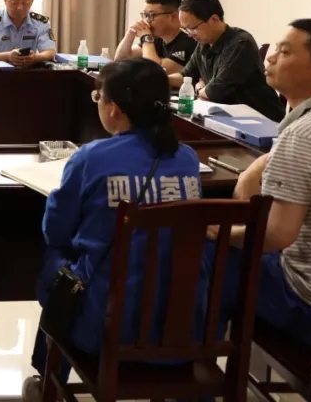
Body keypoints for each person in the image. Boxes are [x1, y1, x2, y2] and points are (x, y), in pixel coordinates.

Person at [22, 57, 204, 401]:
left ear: (114, 109)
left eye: (99, 96)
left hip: (106, 329)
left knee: (57, 261)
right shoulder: (187, 159)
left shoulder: (91, 158)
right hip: (180, 328)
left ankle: (48, 378)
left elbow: (56, 232)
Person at [211, 19, 311, 346]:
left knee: (204, 253)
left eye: (284, 52)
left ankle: (188, 367)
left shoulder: (302, 136)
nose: (269, 57)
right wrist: (259, 164)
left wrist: (216, 232)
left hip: (304, 299)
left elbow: (276, 235)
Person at [168, 0, 285, 121]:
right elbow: (185, 76)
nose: (190, 35)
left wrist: (199, 88)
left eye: (192, 28)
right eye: (185, 29)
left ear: (214, 19)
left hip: (259, 118)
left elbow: (214, 92)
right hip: (224, 116)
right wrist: (161, 79)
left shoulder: (240, 43)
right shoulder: (204, 43)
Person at [113, 0, 196, 74]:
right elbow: (120, 60)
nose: (146, 20)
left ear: (173, 17)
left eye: (151, 15)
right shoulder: (158, 38)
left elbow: (155, 72)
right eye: (145, 15)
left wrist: (146, 38)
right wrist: (130, 33)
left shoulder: (189, 41)